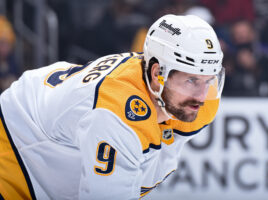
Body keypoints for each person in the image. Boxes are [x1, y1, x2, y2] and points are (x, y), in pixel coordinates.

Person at [0, 14, 224, 199]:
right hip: (15, 144)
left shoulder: (195, 100)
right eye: (191, 80)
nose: (202, 95)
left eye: (209, 80)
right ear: (157, 74)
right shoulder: (117, 114)